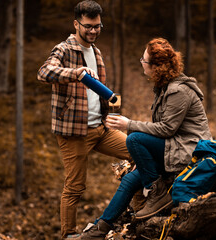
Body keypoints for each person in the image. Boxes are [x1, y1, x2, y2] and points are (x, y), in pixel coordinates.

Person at [80, 38, 212, 239]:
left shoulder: (178, 91)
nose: (141, 61)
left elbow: (167, 129)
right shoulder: (165, 87)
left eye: (143, 59)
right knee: (130, 180)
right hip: (174, 146)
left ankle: (157, 194)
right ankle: (100, 229)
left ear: (156, 67)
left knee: (134, 139)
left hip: (190, 151)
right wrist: (143, 160)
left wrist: (128, 124)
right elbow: (165, 131)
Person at [37, 1, 131, 239]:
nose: (93, 31)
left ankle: (139, 212)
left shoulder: (97, 52)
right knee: (75, 188)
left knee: (137, 150)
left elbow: (96, 92)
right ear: (76, 24)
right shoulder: (64, 49)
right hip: (73, 132)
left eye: (97, 26)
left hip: (101, 127)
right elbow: (44, 72)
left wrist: (111, 108)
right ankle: (69, 235)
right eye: (88, 26)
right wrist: (75, 73)